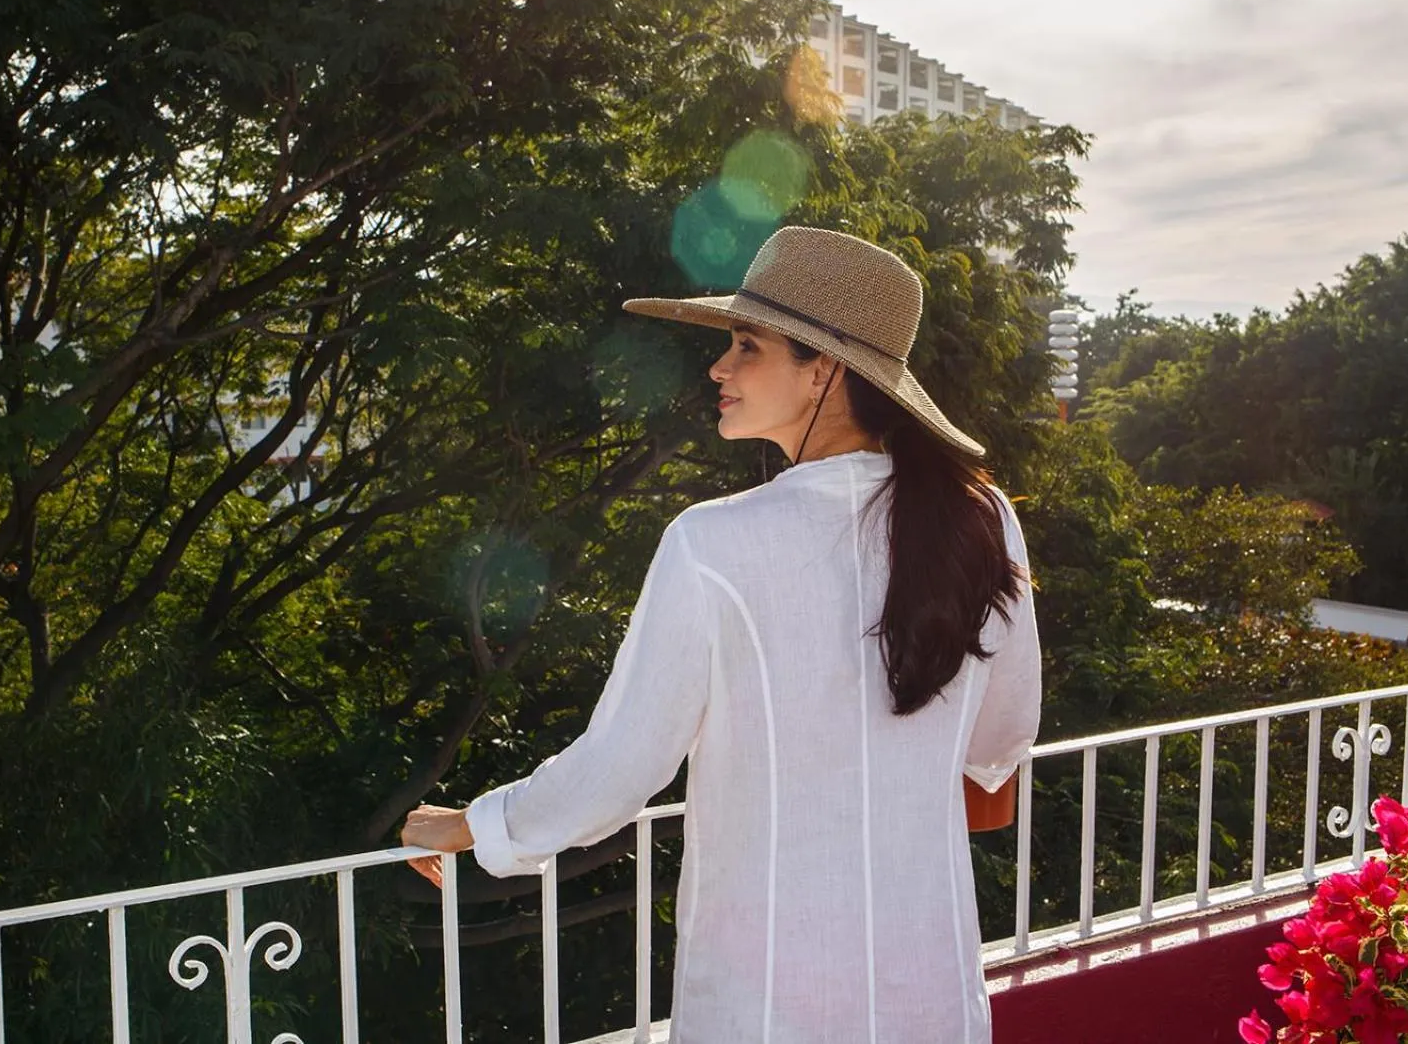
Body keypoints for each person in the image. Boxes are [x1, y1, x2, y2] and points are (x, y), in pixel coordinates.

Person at [399, 226, 1042, 1044]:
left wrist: (479, 824)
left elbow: (624, 762)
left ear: (826, 370)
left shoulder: (714, 542)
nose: (718, 367)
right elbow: (1001, 736)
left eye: (747, 345)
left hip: (770, 1002)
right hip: (931, 996)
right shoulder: (985, 520)